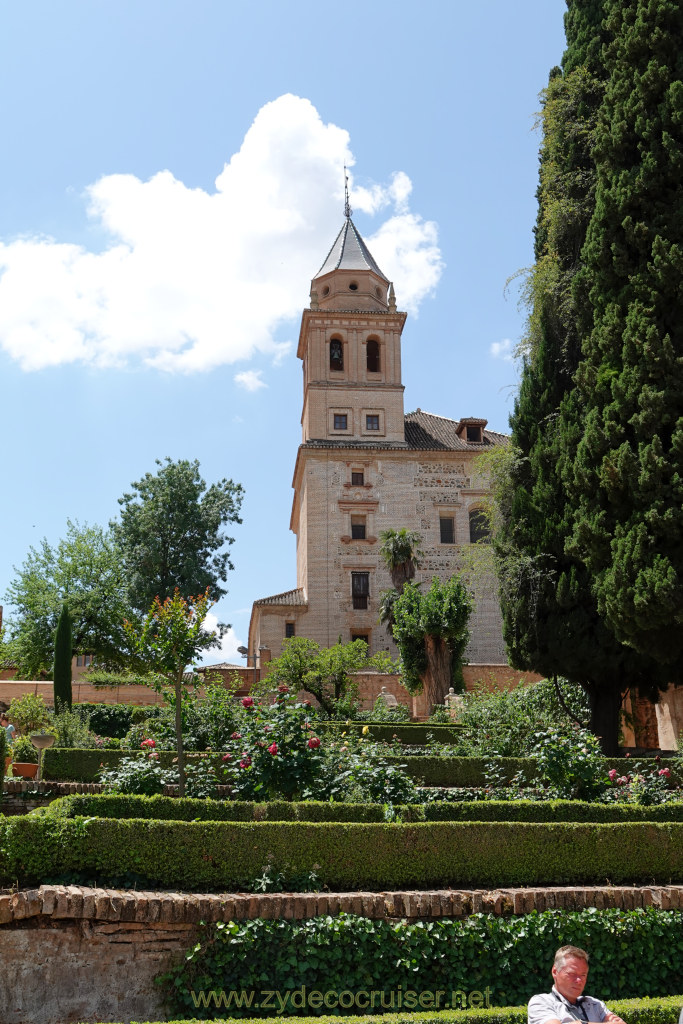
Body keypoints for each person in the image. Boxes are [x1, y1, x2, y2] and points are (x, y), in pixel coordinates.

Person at [528, 946, 627, 1024]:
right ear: (555, 971)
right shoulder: (541, 1002)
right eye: (572, 974)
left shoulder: (595, 1005)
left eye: (583, 975)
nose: (579, 980)